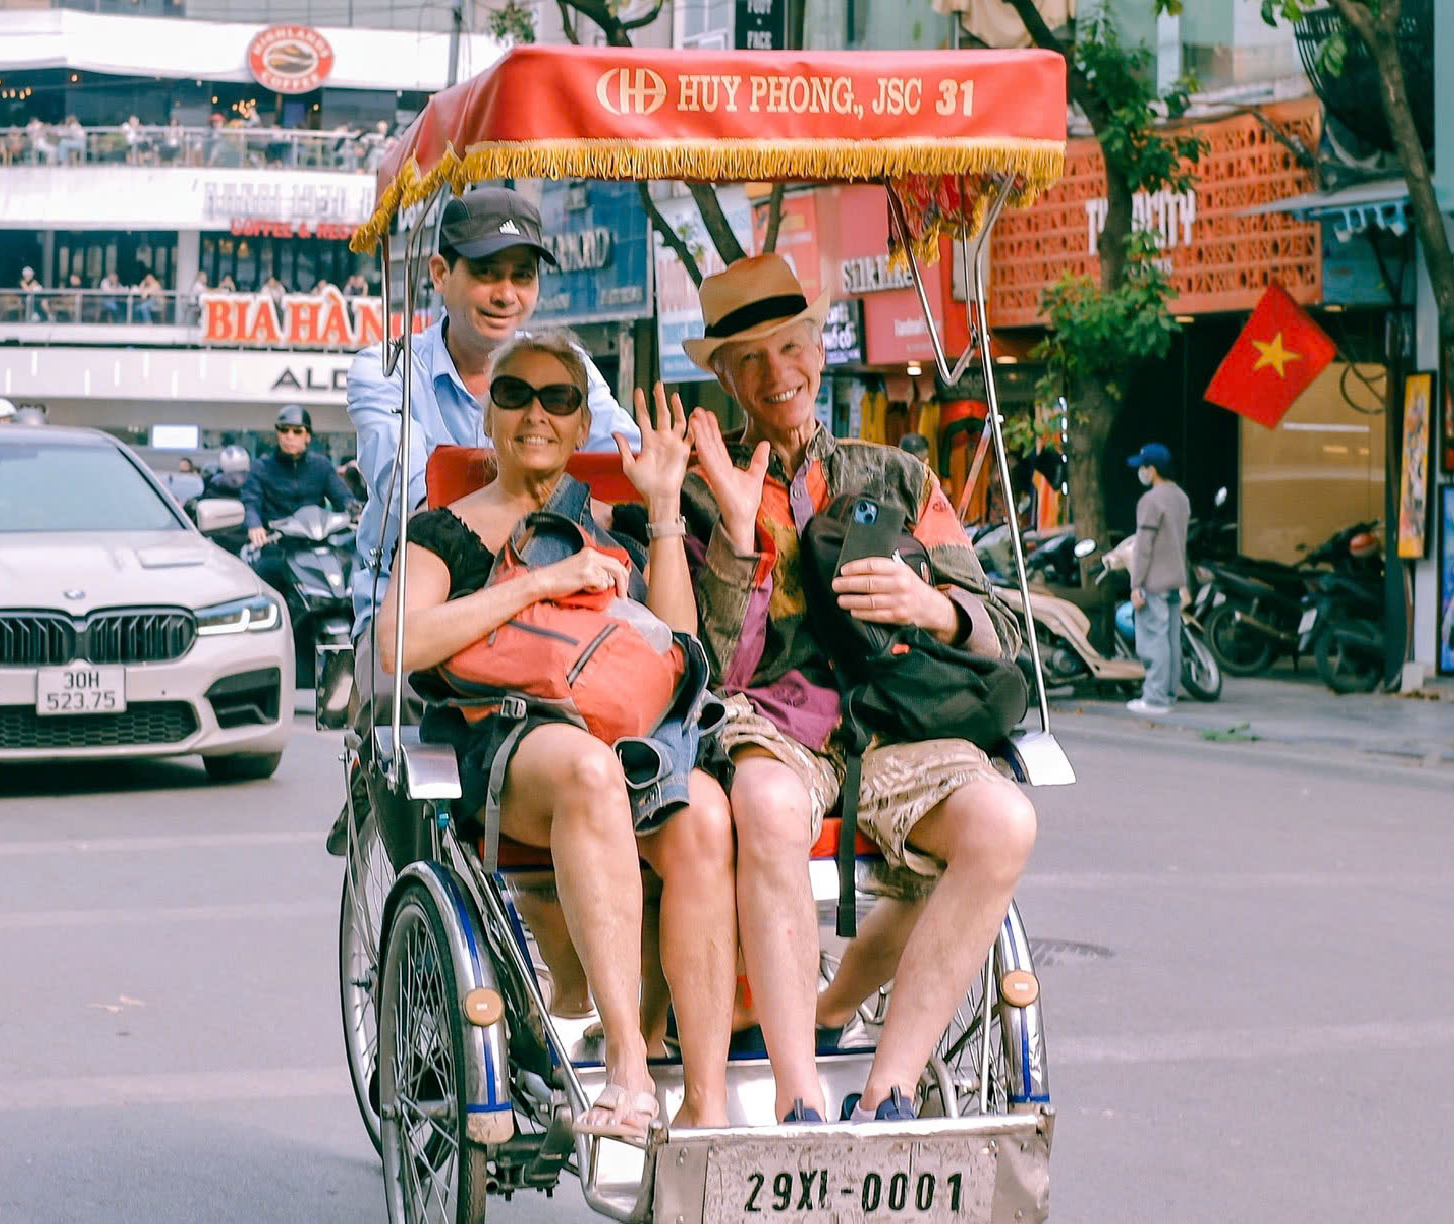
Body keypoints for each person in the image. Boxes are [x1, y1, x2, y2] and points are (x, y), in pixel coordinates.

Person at [679, 254, 1035, 1125]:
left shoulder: (900, 478)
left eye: (791, 347)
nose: (777, 374)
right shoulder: (694, 489)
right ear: (725, 379)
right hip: (772, 726)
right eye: (750, 360)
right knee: (765, 802)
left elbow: (1000, 625)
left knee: (1005, 823)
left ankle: (891, 1087)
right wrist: (735, 538)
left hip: (897, 724)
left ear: (820, 349)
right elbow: (702, 666)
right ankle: (798, 1095)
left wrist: (933, 607)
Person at [376, 332, 734, 1134]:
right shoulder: (446, 531)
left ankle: (707, 1107)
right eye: (514, 396)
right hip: (511, 736)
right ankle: (629, 1072)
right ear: (487, 416)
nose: (535, 414)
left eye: (557, 399)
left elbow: (676, 644)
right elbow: (397, 646)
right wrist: (542, 581)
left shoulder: (610, 524)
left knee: (708, 815)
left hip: (633, 740)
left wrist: (664, 508)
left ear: (580, 425)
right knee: (588, 772)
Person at [345, 185, 639, 646]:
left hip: (550, 616)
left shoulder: (569, 368)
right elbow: (420, 500)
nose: (506, 295)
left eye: (522, 276)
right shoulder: (388, 371)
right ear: (441, 274)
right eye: (486, 273)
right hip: (413, 620)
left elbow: (629, 472)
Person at [1123, 443, 1189, 715]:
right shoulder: (1181, 497)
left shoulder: (1150, 501)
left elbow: (1143, 547)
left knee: (1153, 639)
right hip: (1175, 578)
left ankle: (1155, 698)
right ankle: (1169, 693)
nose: (1140, 471)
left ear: (1152, 470)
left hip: (1154, 580)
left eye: (1142, 467)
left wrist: (1136, 584)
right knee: (1171, 639)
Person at [242, 405, 357, 548]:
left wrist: (354, 511)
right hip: (276, 546)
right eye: (284, 430)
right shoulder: (260, 468)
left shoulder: (321, 465)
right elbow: (251, 502)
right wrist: (254, 524)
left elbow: (342, 496)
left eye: (297, 431)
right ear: (278, 434)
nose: (290, 436)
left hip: (317, 543)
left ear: (308, 436)